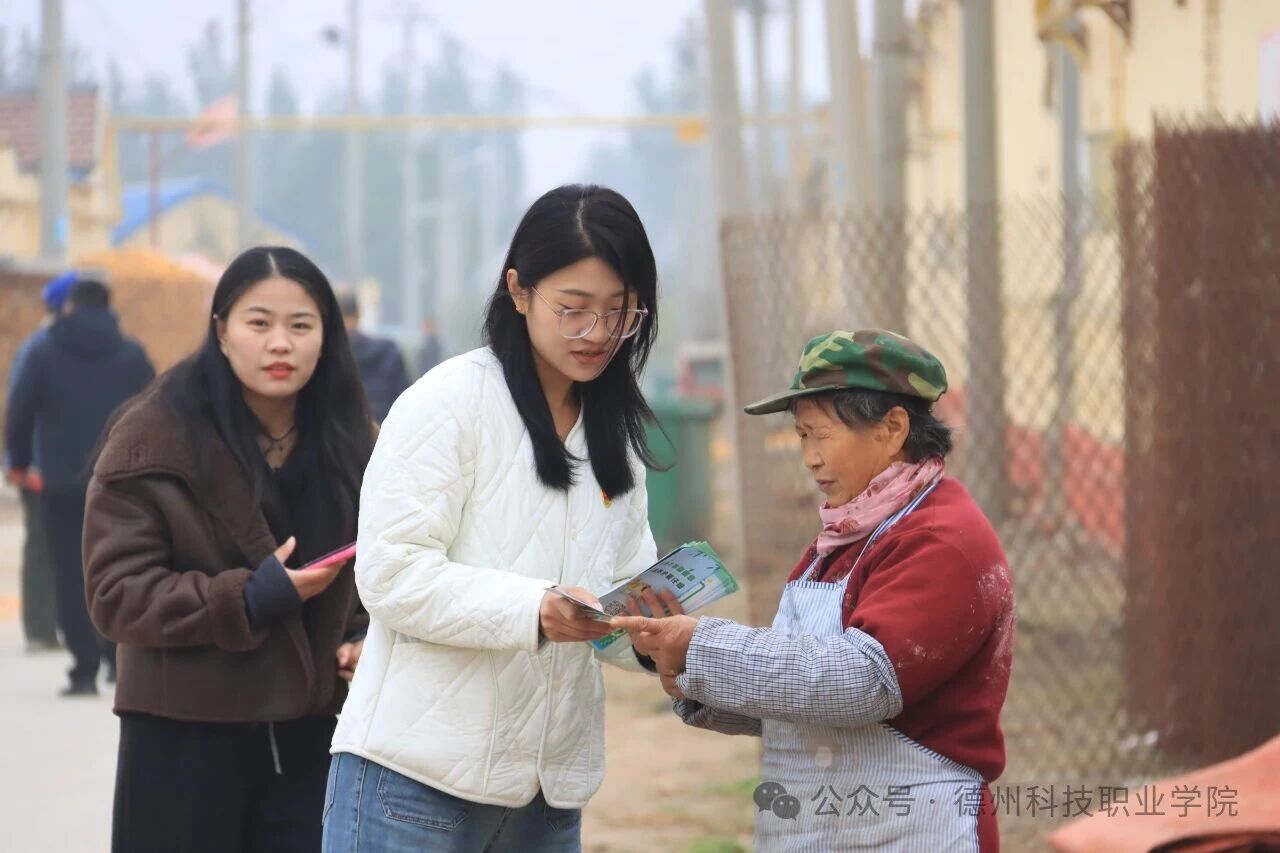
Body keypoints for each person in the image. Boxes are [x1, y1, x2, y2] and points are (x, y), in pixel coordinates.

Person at [325, 185, 668, 852]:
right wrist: (534, 608)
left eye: (620, 312)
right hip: (415, 786)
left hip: (546, 796)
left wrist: (654, 634)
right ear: (518, 291)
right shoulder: (448, 403)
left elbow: (617, 592)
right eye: (574, 309)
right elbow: (391, 574)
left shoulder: (615, 435)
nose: (598, 333)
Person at [614, 330, 1016, 851]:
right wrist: (685, 670)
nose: (809, 458)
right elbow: (801, 696)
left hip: (913, 831)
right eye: (801, 436)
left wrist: (701, 645)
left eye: (821, 435)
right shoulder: (845, 536)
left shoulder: (941, 539)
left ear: (893, 428)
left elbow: (860, 683)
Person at [82, 246, 377, 852]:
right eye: (258, 323)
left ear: (327, 336)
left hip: (311, 736)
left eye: (301, 325)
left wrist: (362, 637)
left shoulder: (356, 442)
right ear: (221, 331)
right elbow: (116, 595)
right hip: (182, 738)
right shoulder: (154, 435)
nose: (280, 344)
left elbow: (387, 575)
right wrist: (246, 597)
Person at [5, 278, 155, 695]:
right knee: (120, 565)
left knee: (71, 572)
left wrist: (19, 463)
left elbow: (20, 409)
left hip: (61, 483)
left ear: (69, 306)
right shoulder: (132, 355)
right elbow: (157, 411)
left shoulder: (44, 352)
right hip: (122, 481)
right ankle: (117, 658)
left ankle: (84, 668)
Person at [3, 271, 77, 652]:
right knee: (42, 549)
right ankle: (39, 628)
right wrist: (21, 464)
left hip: (55, 466)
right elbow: (21, 410)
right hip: (40, 468)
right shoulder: (41, 347)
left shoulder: (51, 345)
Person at [336, 290, 411, 423]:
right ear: (358, 314)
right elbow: (406, 400)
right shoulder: (389, 352)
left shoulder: (326, 356)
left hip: (342, 433)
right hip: (385, 430)